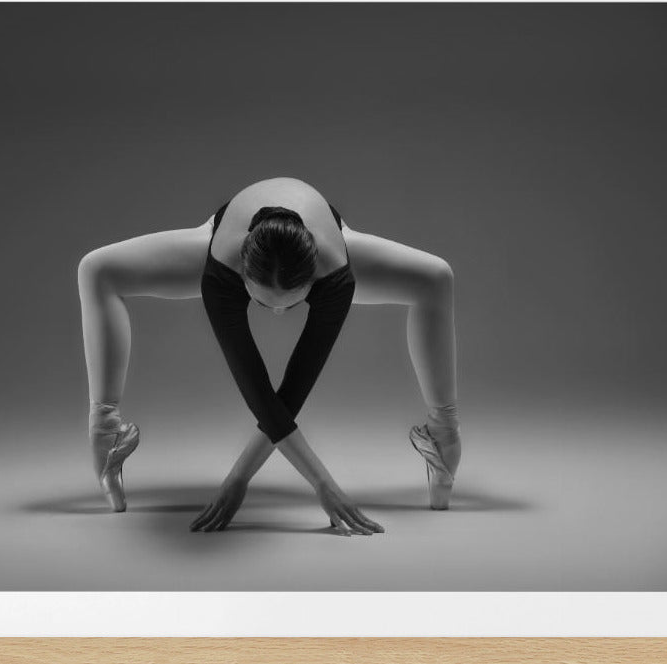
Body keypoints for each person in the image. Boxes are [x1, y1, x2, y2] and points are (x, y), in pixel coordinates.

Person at [77, 177, 460, 535]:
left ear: (314, 282)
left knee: (436, 276)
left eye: (291, 305)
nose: (276, 314)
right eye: (262, 301)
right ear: (242, 276)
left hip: (326, 243)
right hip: (223, 242)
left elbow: (294, 388)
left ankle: (444, 436)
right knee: (96, 269)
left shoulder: (336, 272)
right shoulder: (220, 270)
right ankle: (104, 431)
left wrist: (242, 478)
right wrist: (313, 483)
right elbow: (257, 389)